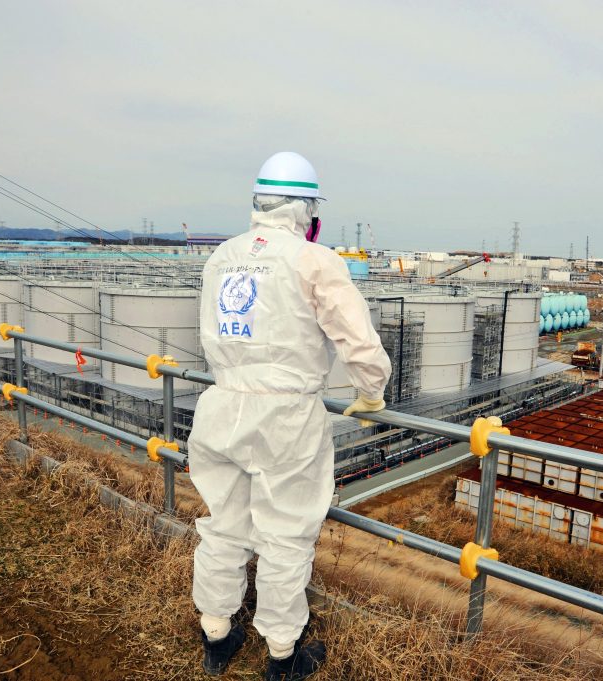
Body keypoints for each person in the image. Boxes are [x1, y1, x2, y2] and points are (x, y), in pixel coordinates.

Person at [188, 151, 392, 680]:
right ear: (305, 208)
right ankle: (283, 654)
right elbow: (357, 339)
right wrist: (372, 392)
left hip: (222, 406)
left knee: (223, 526)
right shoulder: (314, 259)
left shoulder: (221, 258)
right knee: (284, 535)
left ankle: (216, 635)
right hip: (285, 415)